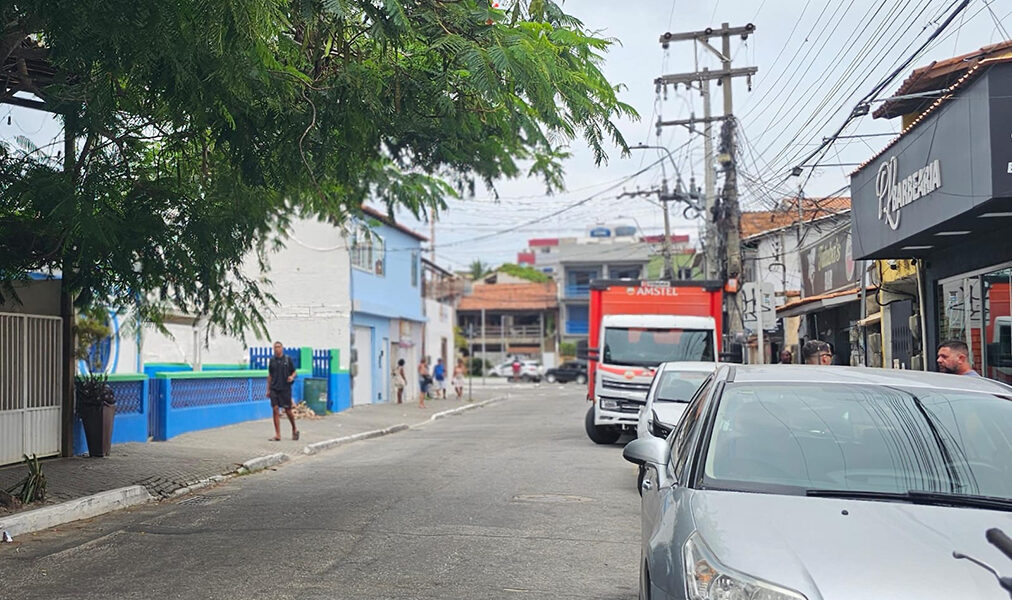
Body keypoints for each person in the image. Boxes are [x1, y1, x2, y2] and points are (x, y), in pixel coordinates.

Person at [266, 341, 299, 441]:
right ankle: (277, 434)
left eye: (279, 347)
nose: (277, 349)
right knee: (275, 409)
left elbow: (294, 372)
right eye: (275, 347)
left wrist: (291, 377)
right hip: (274, 388)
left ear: (282, 348)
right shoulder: (272, 361)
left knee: (288, 410)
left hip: (285, 388)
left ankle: (294, 428)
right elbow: (270, 376)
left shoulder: (287, 359)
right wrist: (268, 389)